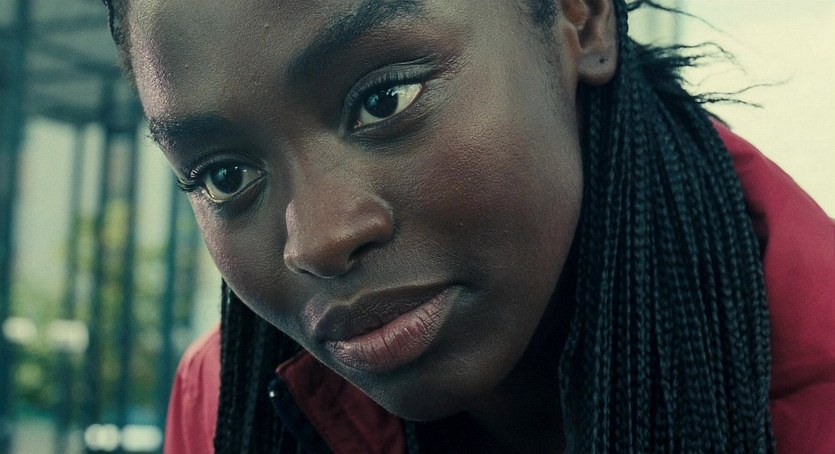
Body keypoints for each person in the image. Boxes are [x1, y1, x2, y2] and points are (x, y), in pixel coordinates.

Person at [101, 0, 835, 452]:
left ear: (579, 16)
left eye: (385, 99)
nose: (317, 240)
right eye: (224, 175)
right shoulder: (220, 400)